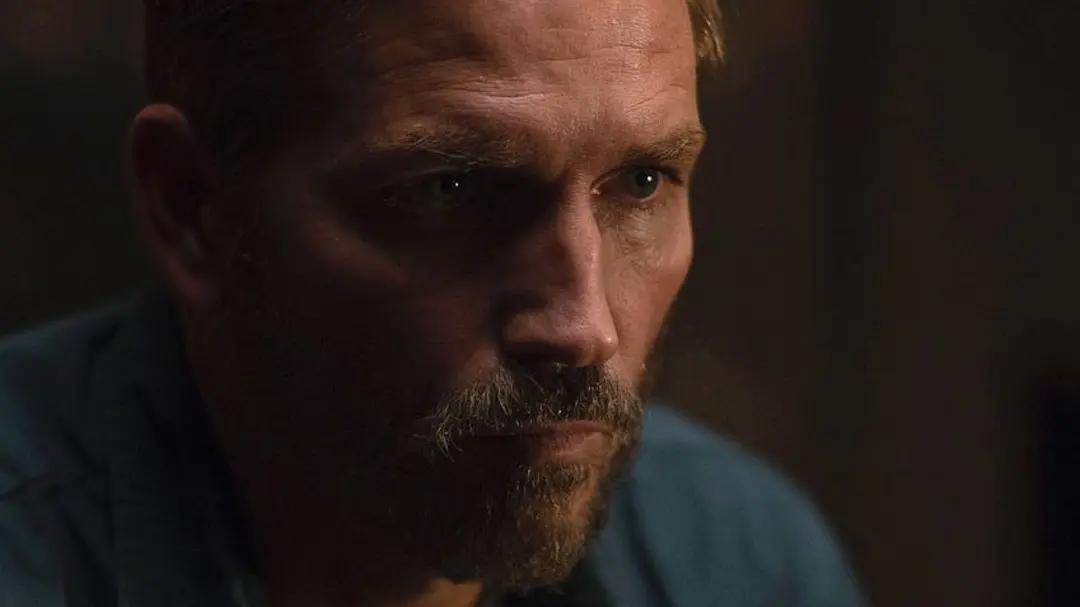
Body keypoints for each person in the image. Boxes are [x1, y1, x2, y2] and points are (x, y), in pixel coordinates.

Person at [0, 0, 865, 605]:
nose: (583, 327)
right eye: (450, 189)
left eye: (642, 181)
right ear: (192, 207)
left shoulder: (739, 558)